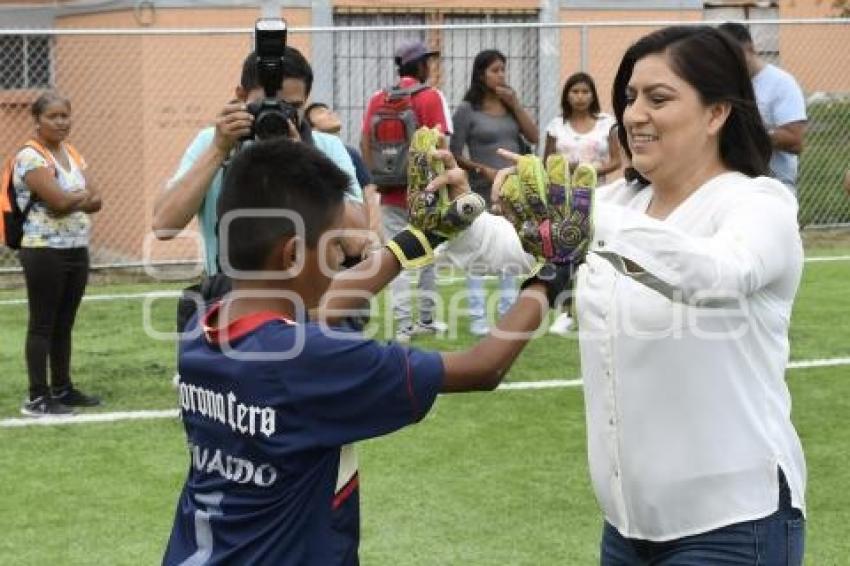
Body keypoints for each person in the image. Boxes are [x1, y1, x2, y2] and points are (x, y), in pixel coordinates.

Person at [446, 25, 807, 564]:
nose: (635, 114)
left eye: (659, 98)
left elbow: (713, 275)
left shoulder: (760, 204)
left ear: (716, 113)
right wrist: (458, 215)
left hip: (734, 524)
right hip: (626, 529)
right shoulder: (620, 203)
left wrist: (585, 216)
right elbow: (506, 248)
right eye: (631, 97)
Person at [161, 138, 556, 564]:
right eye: (335, 248)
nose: (341, 262)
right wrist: (552, 273)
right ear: (293, 254)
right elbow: (484, 367)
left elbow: (320, 307)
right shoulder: (312, 360)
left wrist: (417, 239)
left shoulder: (205, 325)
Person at [152, 47, 366, 332]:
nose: (277, 116)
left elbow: (356, 241)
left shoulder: (325, 147)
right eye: (265, 106)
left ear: (305, 103)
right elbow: (164, 226)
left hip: (312, 302)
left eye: (292, 107)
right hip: (233, 301)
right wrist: (219, 149)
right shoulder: (212, 143)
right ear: (240, 97)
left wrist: (304, 159)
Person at [13, 92, 103, 416]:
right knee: (42, 324)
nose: (61, 122)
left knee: (64, 323)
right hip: (44, 251)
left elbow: (97, 199)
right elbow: (59, 203)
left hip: (76, 248)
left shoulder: (71, 153)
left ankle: (62, 388)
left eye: (65, 115)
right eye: (53, 116)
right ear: (37, 120)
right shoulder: (30, 157)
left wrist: (71, 197)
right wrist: (74, 197)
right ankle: (37, 396)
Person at [360, 40, 452, 342]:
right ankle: (426, 318)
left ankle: (402, 326)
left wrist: (378, 177)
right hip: (425, 190)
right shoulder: (430, 97)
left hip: (389, 190)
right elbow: (441, 143)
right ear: (421, 65)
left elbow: (365, 141)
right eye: (428, 61)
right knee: (428, 253)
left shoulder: (378, 98)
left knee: (396, 255)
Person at [450, 49, 539, 336]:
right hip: (481, 190)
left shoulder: (510, 105)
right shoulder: (467, 110)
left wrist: (516, 105)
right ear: (481, 74)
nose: (501, 75)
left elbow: (535, 137)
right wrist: (481, 170)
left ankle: (506, 314)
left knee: (510, 249)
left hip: (513, 191)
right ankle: (477, 317)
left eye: (503, 69)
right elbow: (454, 152)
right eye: (495, 70)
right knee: (480, 249)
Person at [543, 72, 621, 335]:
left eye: (585, 92)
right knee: (566, 253)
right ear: (567, 95)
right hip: (562, 199)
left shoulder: (606, 123)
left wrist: (588, 170)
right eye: (574, 92)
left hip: (598, 196)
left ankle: (598, 308)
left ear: (593, 95)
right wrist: (565, 172)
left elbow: (616, 161)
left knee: (596, 252)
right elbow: (547, 162)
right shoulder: (556, 125)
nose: (580, 97)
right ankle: (566, 311)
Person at [719, 22, 808, 195]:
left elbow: (795, 140)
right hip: (731, 184)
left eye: (734, 57)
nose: (729, 65)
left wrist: (749, 132)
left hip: (773, 186)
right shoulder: (726, 83)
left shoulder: (781, 83)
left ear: (750, 49)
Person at [305, 101, 383, 256]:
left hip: (356, 232)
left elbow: (370, 194)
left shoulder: (350, 153)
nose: (330, 113)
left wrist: (370, 234)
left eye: (329, 110)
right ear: (310, 127)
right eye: (321, 112)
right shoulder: (309, 152)